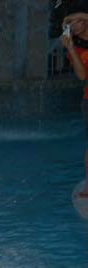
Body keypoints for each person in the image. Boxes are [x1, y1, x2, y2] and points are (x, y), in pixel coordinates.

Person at [63, 13, 88, 197]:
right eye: (70, 24)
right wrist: (70, 48)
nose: (74, 26)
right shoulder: (76, 49)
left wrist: (70, 16)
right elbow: (81, 76)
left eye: (77, 21)